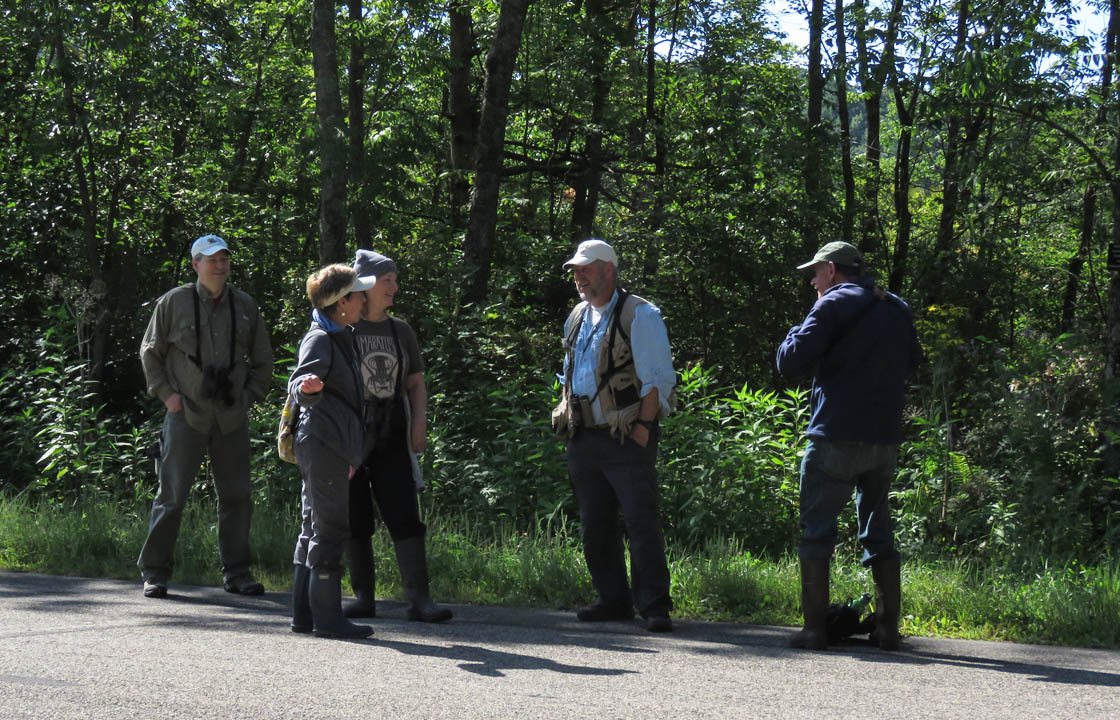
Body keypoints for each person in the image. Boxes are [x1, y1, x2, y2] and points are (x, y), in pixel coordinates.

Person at [776, 241, 922, 651]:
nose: (811, 281)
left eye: (815, 272)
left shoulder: (830, 305)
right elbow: (914, 359)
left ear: (833, 272)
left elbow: (789, 362)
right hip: (883, 441)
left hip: (835, 436)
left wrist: (796, 328)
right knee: (879, 532)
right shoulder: (896, 306)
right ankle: (887, 629)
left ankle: (815, 630)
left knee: (817, 530)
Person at [138, 234, 273, 599]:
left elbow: (264, 362)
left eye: (224, 258)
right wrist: (168, 397)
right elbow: (150, 353)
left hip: (231, 417)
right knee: (172, 496)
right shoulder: (173, 303)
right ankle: (155, 572)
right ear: (195, 264)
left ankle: (238, 573)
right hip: (186, 416)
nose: (219, 265)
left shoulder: (245, 306)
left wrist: (246, 398)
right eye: (211, 259)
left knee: (237, 496)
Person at [552, 239, 677, 633]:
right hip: (583, 435)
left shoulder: (640, 314)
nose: (579, 276)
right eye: (575, 270)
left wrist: (643, 428)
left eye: (586, 268)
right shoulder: (576, 315)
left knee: (641, 522)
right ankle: (612, 600)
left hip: (626, 434)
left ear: (609, 269)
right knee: (595, 524)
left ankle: (654, 605)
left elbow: (658, 380)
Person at [343, 249, 452, 623]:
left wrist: (419, 421)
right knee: (354, 514)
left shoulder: (399, 330)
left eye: (394, 279)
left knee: (403, 511)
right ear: (368, 284)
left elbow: (415, 383)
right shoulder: (343, 328)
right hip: (353, 434)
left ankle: (420, 600)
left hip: (391, 430)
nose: (395, 287)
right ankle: (363, 599)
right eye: (388, 280)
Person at [288, 264, 376, 639]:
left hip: (331, 445)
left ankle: (305, 615)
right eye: (359, 294)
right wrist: (307, 388)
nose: (364, 299)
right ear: (341, 303)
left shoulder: (340, 334)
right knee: (330, 528)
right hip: (322, 442)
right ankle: (326, 618)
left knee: (314, 525)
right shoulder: (321, 339)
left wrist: (349, 453)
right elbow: (298, 384)